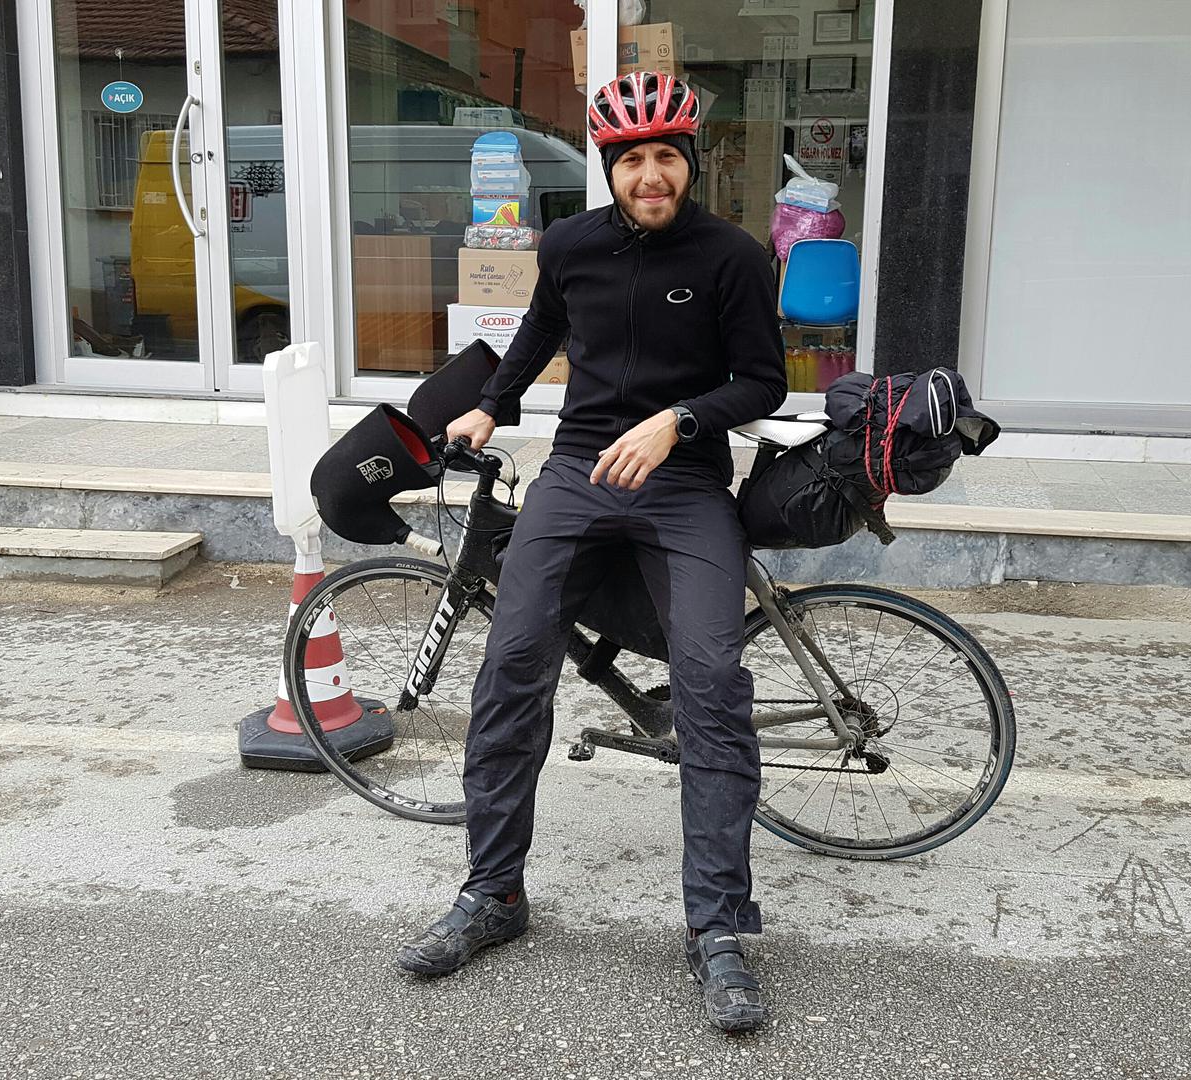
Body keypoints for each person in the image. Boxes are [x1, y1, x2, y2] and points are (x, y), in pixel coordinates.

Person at [396, 71, 788, 1032]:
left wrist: (678, 421)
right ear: (609, 169)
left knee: (711, 680)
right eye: (632, 160)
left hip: (684, 482)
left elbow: (763, 381)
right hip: (576, 471)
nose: (650, 175)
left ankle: (716, 928)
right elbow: (542, 327)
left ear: (689, 163)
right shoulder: (568, 243)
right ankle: (493, 892)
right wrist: (492, 404)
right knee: (511, 664)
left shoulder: (734, 256)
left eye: (665, 157)